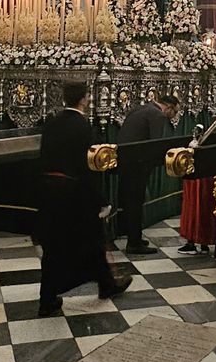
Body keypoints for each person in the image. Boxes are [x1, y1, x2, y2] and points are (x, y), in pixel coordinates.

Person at [37, 82, 131, 317]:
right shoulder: (82, 126)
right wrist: (100, 200)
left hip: (49, 191)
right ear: (84, 99)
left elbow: (42, 157)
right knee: (92, 240)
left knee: (53, 246)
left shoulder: (51, 122)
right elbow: (88, 168)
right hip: (75, 194)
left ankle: (50, 298)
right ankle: (103, 284)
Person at [116, 94, 179, 255]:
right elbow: (155, 144)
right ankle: (134, 243)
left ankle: (132, 234)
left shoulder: (142, 108)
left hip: (125, 160)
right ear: (169, 108)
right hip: (137, 164)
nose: (174, 117)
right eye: (175, 112)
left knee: (129, 200)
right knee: (135, 202)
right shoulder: (157, 114)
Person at [178, 175, 216, 256]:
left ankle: (191, 242)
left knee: (192, 204)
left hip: (194, 173)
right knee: (206, 203)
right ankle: (204, 243)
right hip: (210, 175)